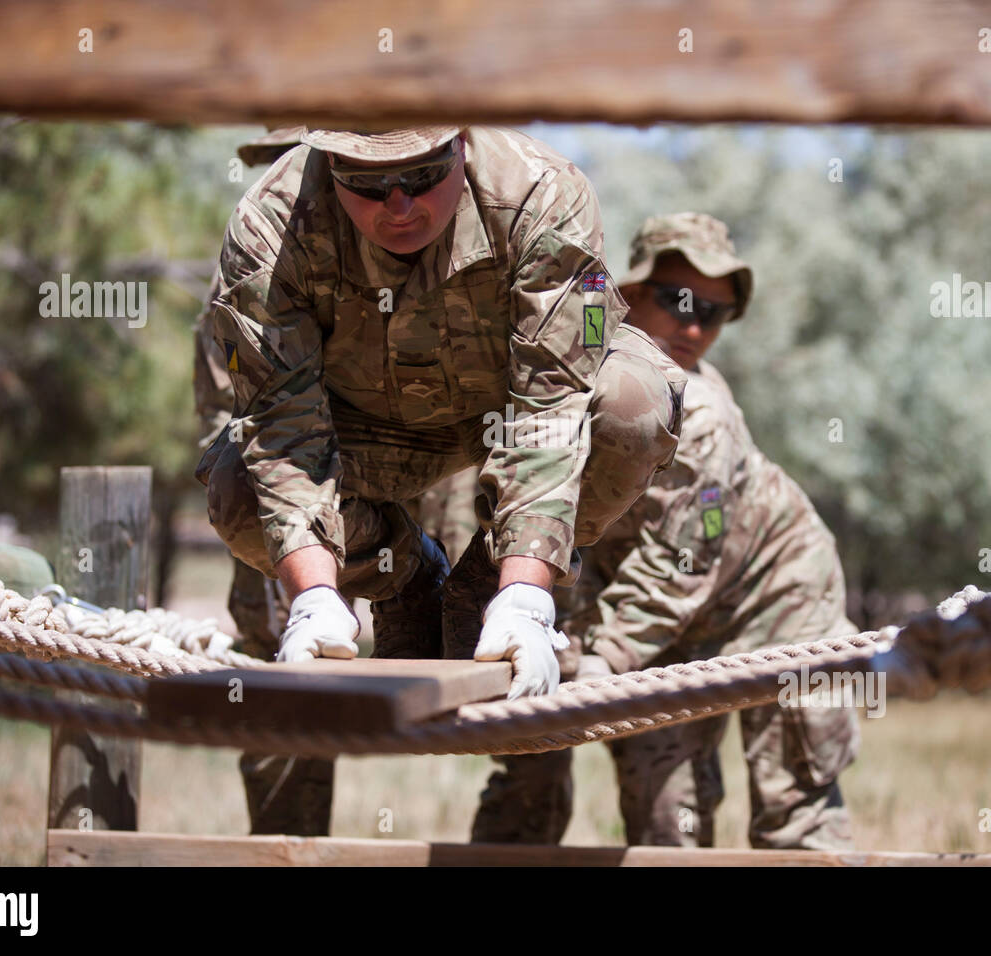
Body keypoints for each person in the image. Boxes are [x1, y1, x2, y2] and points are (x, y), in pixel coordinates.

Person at [194, 125, 686, 834]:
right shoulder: (271, 218)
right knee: (237, 487)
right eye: (366, 185)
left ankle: (486, 582)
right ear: (329, 166)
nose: (397, 205)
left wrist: (524, 595)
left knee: (632, 407)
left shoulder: (540, 192)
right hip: (360, 432)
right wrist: (315, 595)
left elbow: (550, 406)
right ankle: (401, 577)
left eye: (421, 177)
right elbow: (282, 422)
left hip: (506, 413)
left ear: (461, 147)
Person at [470, 212, 861, 849]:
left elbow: (683, 560)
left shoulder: (706, 421)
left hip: (778, 595)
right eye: (680, 301)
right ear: (630, 295)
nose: (695, 326)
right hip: (660, 614)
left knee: (793, 800)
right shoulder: (569, 372)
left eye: (716, 312)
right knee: (661, 804)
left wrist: (599, 661)